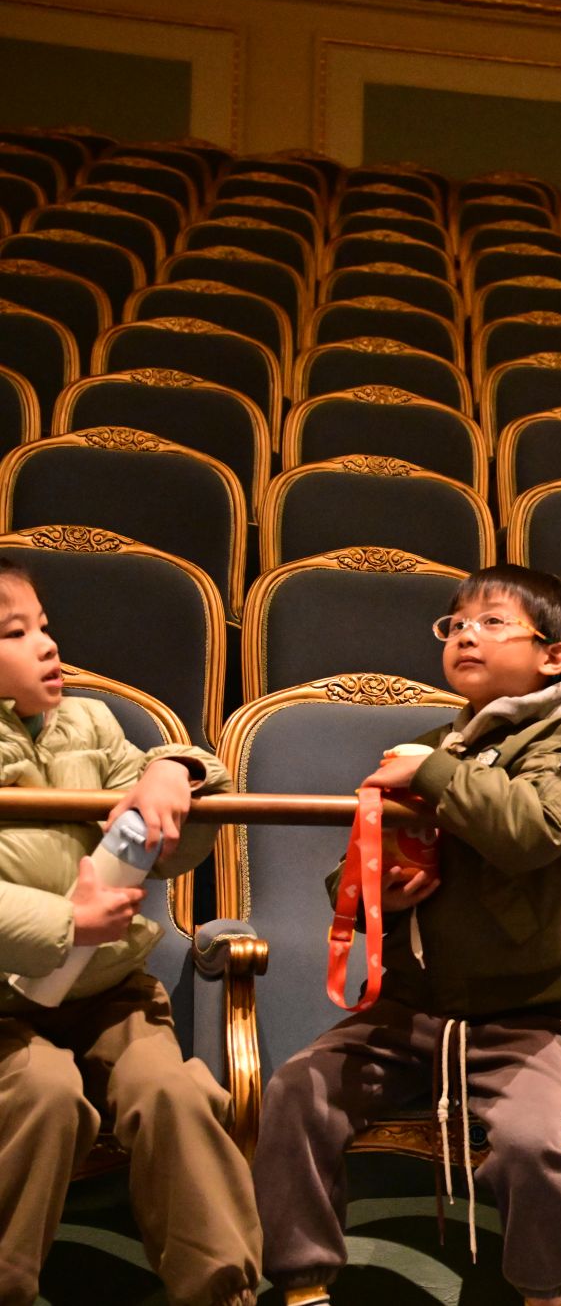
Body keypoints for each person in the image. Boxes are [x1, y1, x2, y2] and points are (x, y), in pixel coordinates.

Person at [254, 565, 561, 1306]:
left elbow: (529, 832)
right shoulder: (436, 745)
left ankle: (547, 1293)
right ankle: (303, 1287)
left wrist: (431, 772)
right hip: (406, 1008)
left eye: (492, 622)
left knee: (530, 1145)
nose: (465, 634)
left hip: (520, 1020)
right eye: (455, 622)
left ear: (553, 655)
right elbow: (349, 876)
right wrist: (381, 892)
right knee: (297, 1091)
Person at [0, 558, 261, 1306]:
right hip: (5, 1005)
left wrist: (176, 772)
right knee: (45, 1093)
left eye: (44, 625)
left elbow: (172, 826)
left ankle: (223, 1291)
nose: (47, 645)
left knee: (171, 1092)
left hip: (108, 987)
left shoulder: (90, 721)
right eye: (15, 633)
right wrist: (67, 922)